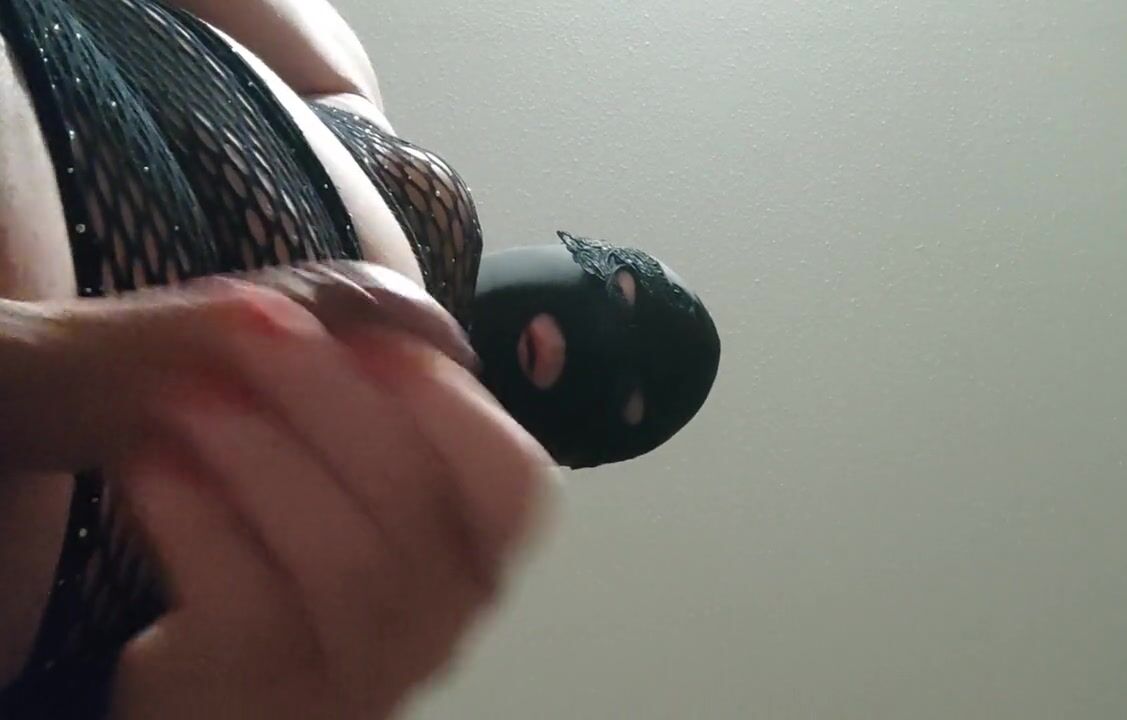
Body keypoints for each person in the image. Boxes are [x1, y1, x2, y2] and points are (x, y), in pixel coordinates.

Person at [0, 0, 719, 717]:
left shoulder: (363, 584)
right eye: (617, 292)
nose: (558, 350)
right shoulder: (345, 88)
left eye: (614, 402)